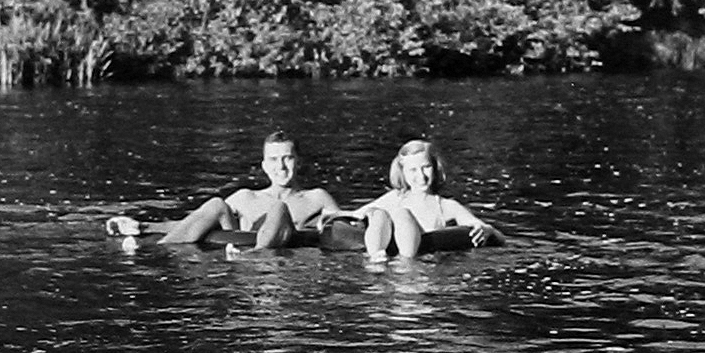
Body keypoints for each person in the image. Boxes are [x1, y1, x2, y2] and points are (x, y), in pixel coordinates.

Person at [107, 130, 338, 253]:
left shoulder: (316, 197)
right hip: (237, 246)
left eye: (287, 158)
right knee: (216, 204)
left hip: (280, 248)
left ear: (298, 161)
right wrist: (145, 227)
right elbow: (197, 221)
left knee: (278, 208)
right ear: (264, 166)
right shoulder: (246, 197)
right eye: (274, 159)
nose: (281, 167)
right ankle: (158, 248)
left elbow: (346, 228)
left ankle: (255, 255)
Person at [329, 138, 504, 261]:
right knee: (378, 213)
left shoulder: (445, 206)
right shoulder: (394, 198)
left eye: (426, 167)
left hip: (422, 263)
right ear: (403, 173)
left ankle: (406, 261)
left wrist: (486, 229)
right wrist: (332, 216)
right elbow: (356, 215)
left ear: (436, 168)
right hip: (386, 263)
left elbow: (485, 229)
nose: (421, 176)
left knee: (402, 214)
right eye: (413, 170)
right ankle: (375, 257)